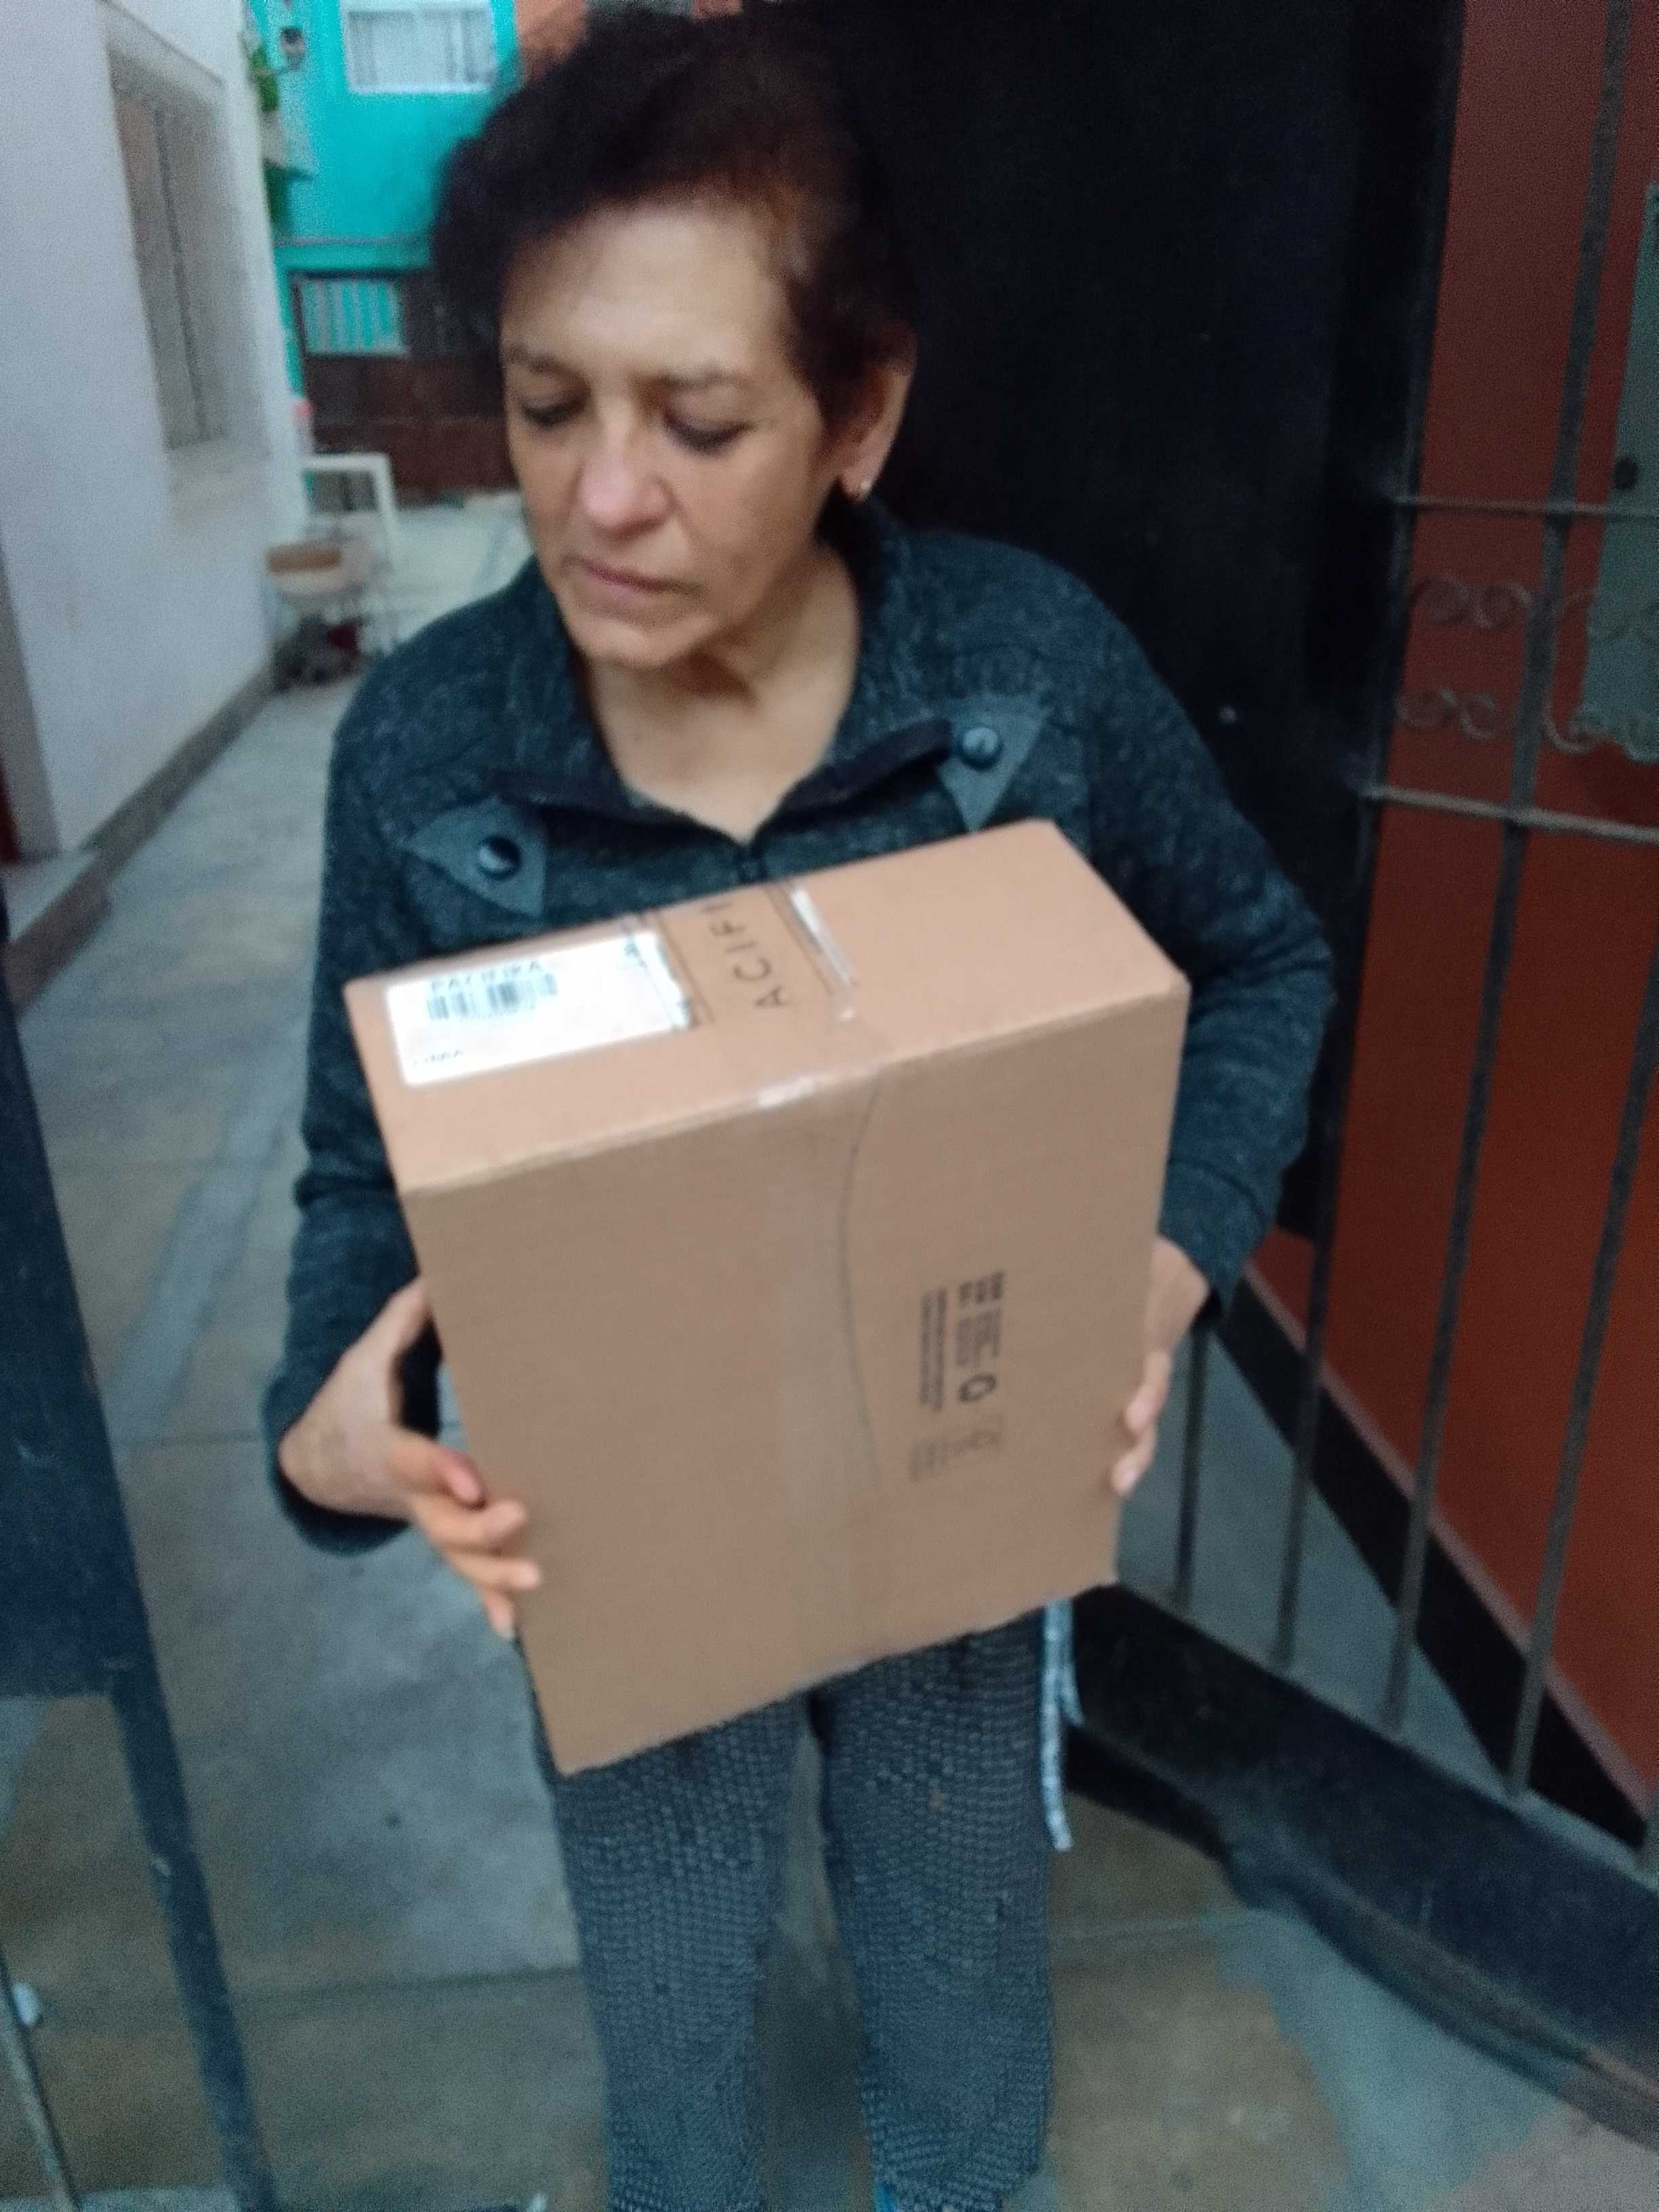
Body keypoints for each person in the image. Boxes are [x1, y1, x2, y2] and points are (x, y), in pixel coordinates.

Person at [266, 13, 1332, 2210]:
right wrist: (332, 1433)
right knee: (669, 1988)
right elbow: (366, 1171)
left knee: (958, 1940)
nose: (602, 495)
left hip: (945, 1485)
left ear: (861, 415)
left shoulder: (1022, 687)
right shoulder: (431, 752)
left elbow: (1262, 961)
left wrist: (1156, 1269)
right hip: (626, 1535)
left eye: (699, 419)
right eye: (546, 404)